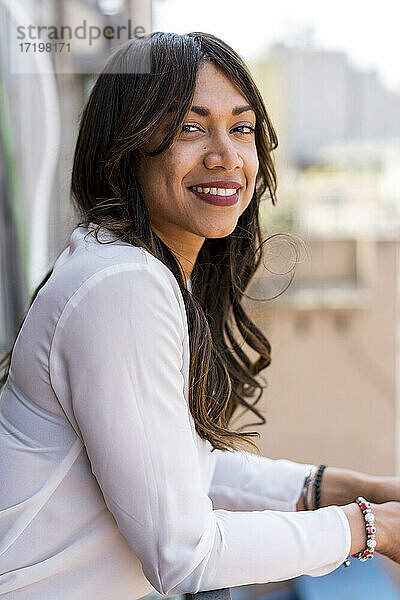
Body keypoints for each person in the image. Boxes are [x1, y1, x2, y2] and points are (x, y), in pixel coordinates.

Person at [0, 30, 400, 600]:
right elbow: (184, 554)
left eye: (241, 128)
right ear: (127, 147)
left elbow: (191, 469)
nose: (226, 156)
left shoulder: (138, 271)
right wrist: (370, 530)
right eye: (191, 127)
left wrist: (352, 489)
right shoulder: (123, 288)